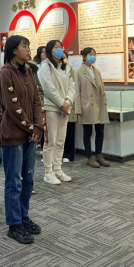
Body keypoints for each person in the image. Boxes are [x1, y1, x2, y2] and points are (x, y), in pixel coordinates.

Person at [0, 36, 44, 244]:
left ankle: (24, 216)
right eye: (24, 46)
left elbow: (36, 100)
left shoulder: (28, 71)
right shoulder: (6, 73)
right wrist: (32, 127)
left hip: (30, 135)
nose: (28, 49)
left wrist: (38, 127)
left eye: (28, 46)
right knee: (14, 182)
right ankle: (14, 224)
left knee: (28, 180)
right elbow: (12, 108)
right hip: (13, 135)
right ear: (14, 50)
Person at [38, 40, 75, 185]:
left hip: (64, 108)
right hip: (51, 108)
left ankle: (58, 169)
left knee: (60, 141)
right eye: (56, 47)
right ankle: (48, 173)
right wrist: (61, 104)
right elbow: (48, 88)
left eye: (61, 47)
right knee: (50, 141)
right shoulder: (45, 67)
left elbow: (72, 87)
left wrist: (67, 102)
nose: (59, 50)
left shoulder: (66, 67)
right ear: (50, 50)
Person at [75, 48, 110, 168]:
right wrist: (78, 109)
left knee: (100, 131)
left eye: (94, 54)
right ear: (84, 57)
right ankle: (89, 156)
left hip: (99, 104)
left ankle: (98, 154)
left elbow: (102, 88)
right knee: (88, 132)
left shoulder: (97, 71)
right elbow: (77, 92)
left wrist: (104, 102)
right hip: (87, 106)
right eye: (90, 54)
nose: (93, 57)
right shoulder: (79, 72)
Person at [63, 56, 77, 163]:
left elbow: (73, 88)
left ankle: (68, 154)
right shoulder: (51, 70)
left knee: (70, 131)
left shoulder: (71, 70)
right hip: (58, 105)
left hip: (69, 104)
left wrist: (68, 101)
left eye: (64, 57)